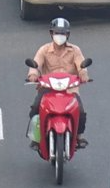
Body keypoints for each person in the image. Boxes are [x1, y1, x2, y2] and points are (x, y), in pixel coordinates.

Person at [25, 16, 89, 146]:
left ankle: (78, 136)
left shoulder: (75, 50)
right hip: (48, 89)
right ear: (51, 34)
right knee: (36, 108)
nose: (60, 36)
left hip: (70, 89)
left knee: (80, 111)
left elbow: (82, 67)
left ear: (68, 34)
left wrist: (84, 75)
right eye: (57, 33)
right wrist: (33, 75)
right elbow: (35, 65)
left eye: (63, 33)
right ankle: (37, 136)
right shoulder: (44, 50)